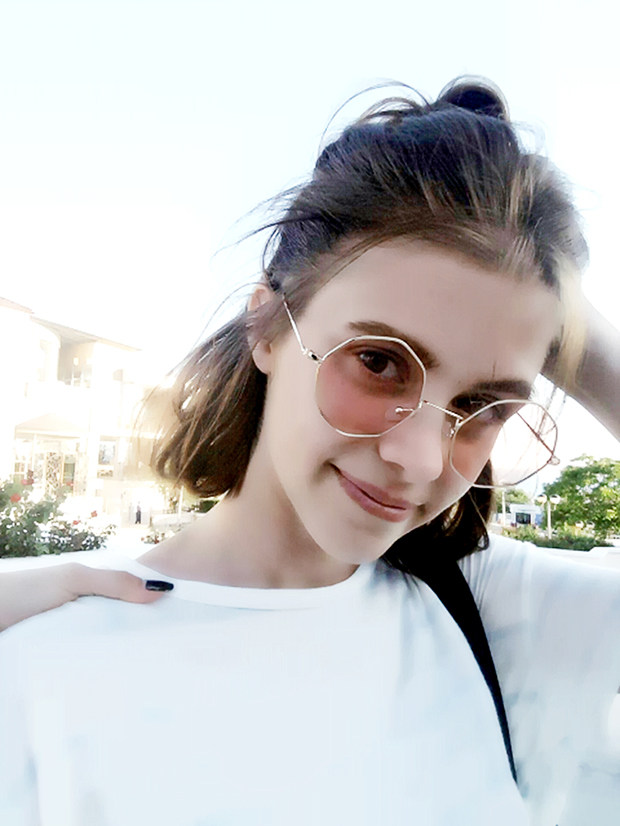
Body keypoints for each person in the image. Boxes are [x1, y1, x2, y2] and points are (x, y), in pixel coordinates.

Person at [1, 78, 619, 826]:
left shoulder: (490, 611)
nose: (422, 458)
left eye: (480, 405)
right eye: (379, 363)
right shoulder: (42, 677)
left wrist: (555, 299)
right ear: (266, 327)